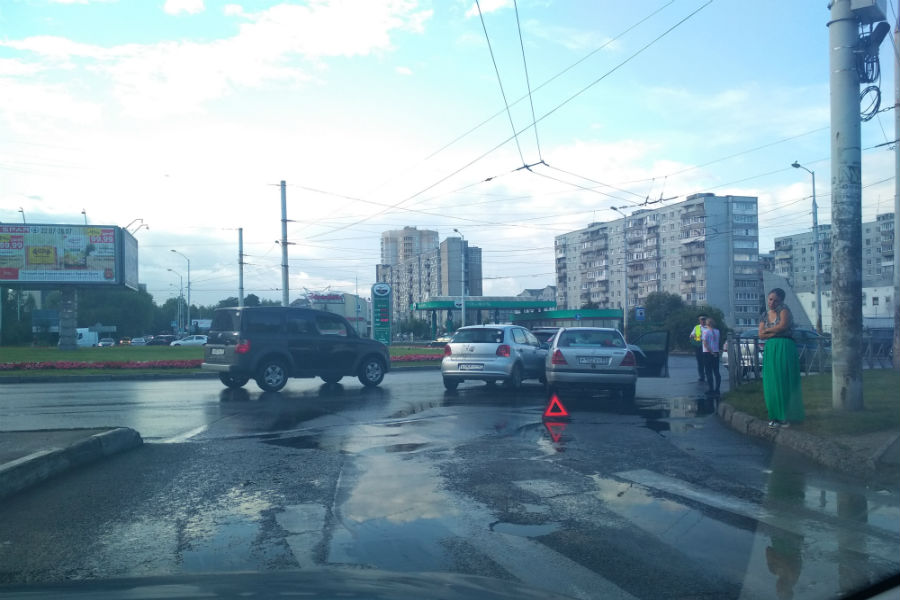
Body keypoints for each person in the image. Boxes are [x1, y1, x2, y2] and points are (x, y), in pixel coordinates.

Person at [759, 288, 804, 428]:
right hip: (771, 348)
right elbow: (761, 335)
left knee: (784, 380)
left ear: (781, 301)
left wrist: (768, 330)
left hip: (785, 346)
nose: (772, 302)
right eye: (770, 299)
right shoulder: (764, 315)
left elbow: (783, 326)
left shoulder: (784, 310)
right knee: (771, 382)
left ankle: (786, 415)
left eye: (775, 300)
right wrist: (773, 331)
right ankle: (775, 416)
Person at [702, 316, 721, 395]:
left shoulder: (705, 332)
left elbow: (705, 343)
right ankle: (717, 389)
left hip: (708, 353)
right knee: (716, 371)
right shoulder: (717, 331)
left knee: (708, 371)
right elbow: (718, 341)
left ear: (707, 324)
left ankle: (711, 389)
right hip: (716, 352)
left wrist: (710, 351)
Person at [689, 315, 707, 382]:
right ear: (699, 320)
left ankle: (708, 374)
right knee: (700, 362)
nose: (703, 321)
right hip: (698, 346)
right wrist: (693, 335)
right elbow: (691, 336)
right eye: (701, 319)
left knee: (706, 362)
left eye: (704, 319)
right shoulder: (697, 327)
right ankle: (702, 376)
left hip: (706, 346)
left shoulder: (708, 327)